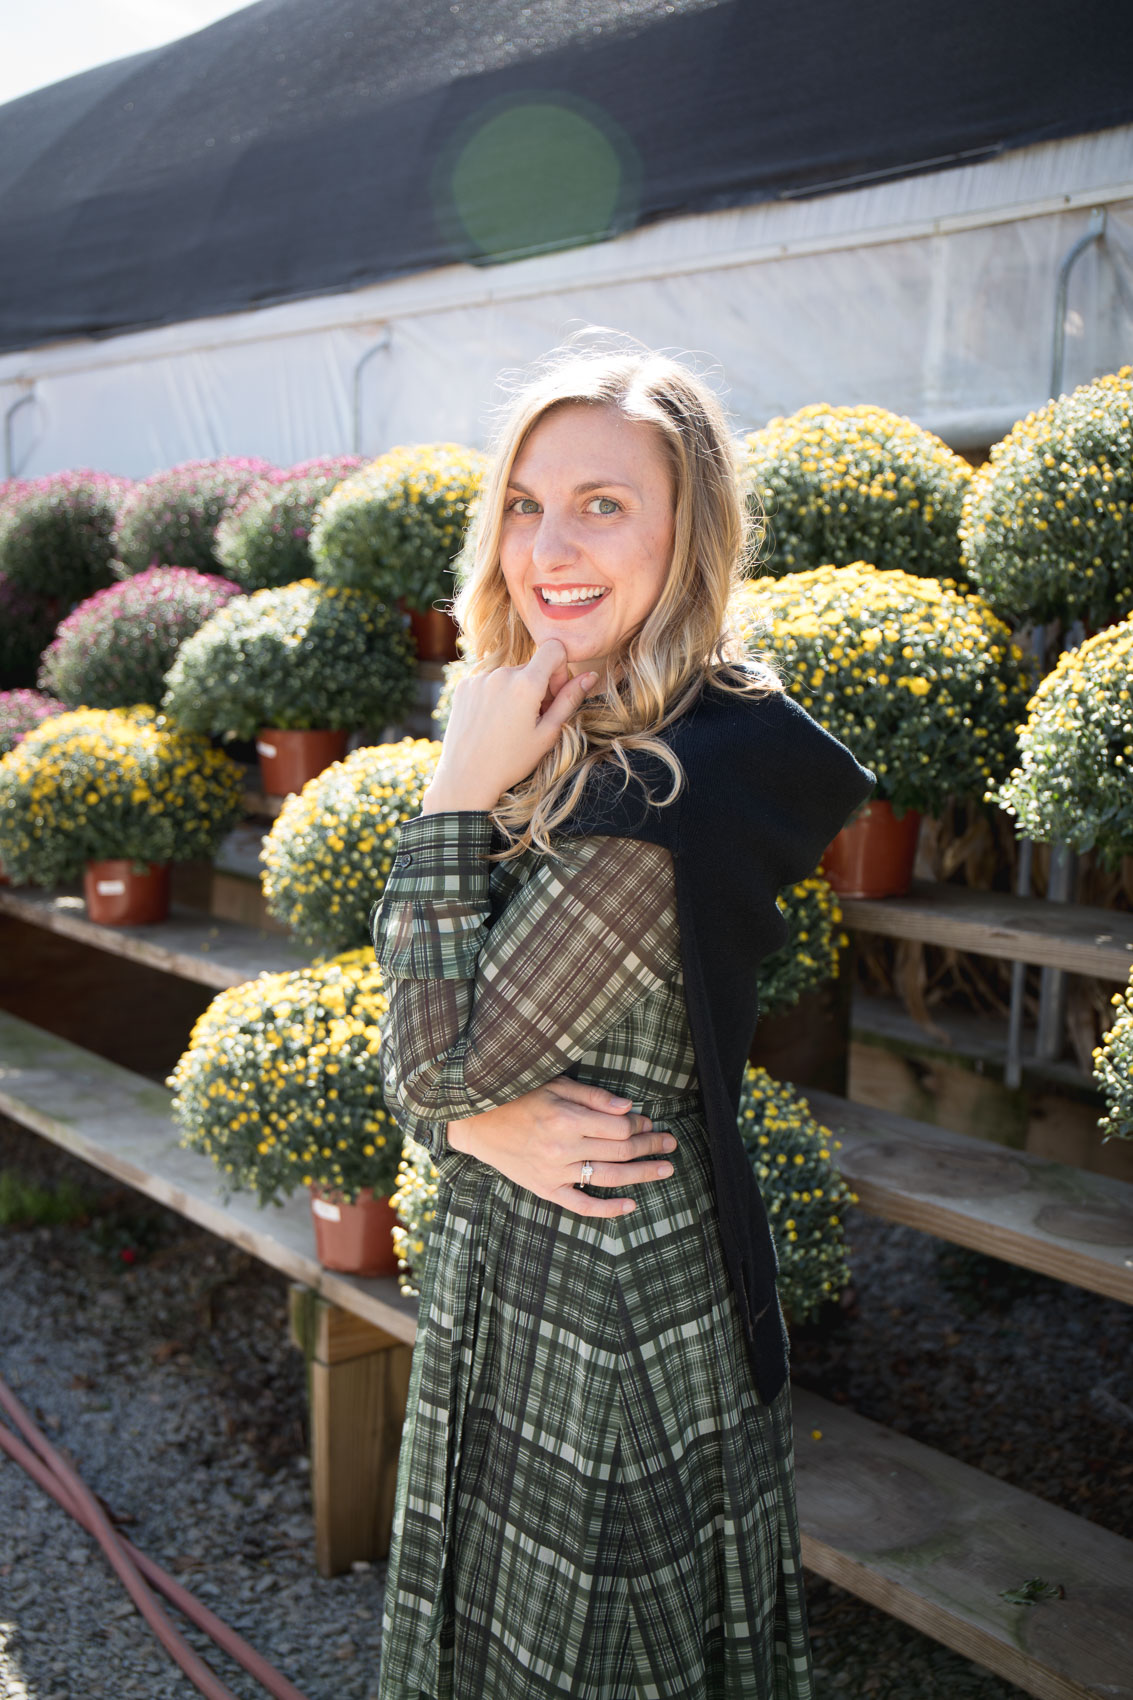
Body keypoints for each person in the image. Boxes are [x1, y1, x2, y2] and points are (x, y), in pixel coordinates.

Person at [371, 342, 875, 1699]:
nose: (549, 544)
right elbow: (458, 1092)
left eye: (603, 503)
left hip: (605, 1297)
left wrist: (449, 802)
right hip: (530, 1247)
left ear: (687, 526)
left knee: (586, 1658)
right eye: (526, 504)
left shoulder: (672, 786)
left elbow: (428, 1066)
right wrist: (482, 1136)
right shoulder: (578, 719)